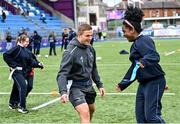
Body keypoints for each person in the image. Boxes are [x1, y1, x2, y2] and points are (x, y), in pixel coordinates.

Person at [116, 6, 166, 123]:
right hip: (144, 83)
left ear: (132, 29)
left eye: (124, 31)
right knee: (141, 119)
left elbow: (154, 56)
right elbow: (135, 68)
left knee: (152, 117)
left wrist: (144, 61)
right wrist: (124, 84)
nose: (123, 34)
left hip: (154, 81)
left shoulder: (144, 40)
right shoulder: (136, 43)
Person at [57, 24, 105, 123]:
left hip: (88, 85)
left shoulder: (91, 49)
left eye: (91, 35)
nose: (90, 38)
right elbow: (62, 73)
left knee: (91, 109)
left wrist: (99, 84)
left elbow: (93, 68)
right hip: (75, 86)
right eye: (87, 36)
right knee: (84, 112)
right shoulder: (70, 51)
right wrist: (63, 91)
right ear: (79, 35)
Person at [3, 34, 44, 114]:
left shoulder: (26, 50)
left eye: (28, 41)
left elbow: (31, 61)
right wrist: (13, 65)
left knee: (17, 87)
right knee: (23, 86)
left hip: (23, 72)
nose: (28, 43)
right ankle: (22, 107)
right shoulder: (17, 48)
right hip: (16, 72)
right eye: (26, 41)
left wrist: (39, 65)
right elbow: (5, 55)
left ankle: (12, 103)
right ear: (21, 41)